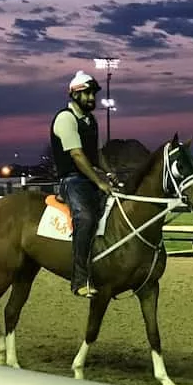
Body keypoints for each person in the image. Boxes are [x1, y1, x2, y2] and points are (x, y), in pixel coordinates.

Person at [50, 70, 116, 298]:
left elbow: (96, 153)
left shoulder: (91, 120)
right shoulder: (65, 119)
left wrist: (109, 173)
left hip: (90, 178)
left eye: (93, 94)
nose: (91, 98)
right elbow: (77, 155)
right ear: (74, 95)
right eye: (86, 94)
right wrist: (99, 182)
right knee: (86, 219)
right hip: (72, 181)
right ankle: (79, 280)